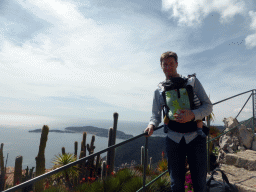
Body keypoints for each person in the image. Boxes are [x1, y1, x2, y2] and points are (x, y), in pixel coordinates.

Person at [144, 51, 213, 192]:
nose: (168, 67)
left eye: (171, 63)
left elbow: (208, 106)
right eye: (165, 64)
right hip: (173, 138)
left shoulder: (192, 82)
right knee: (176, 184)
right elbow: (155, 115)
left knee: (200, 183)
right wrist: (151, 125)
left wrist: (192, 115)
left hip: (196, 137)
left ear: (177, 64)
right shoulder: (159, 90)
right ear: (161, 66)